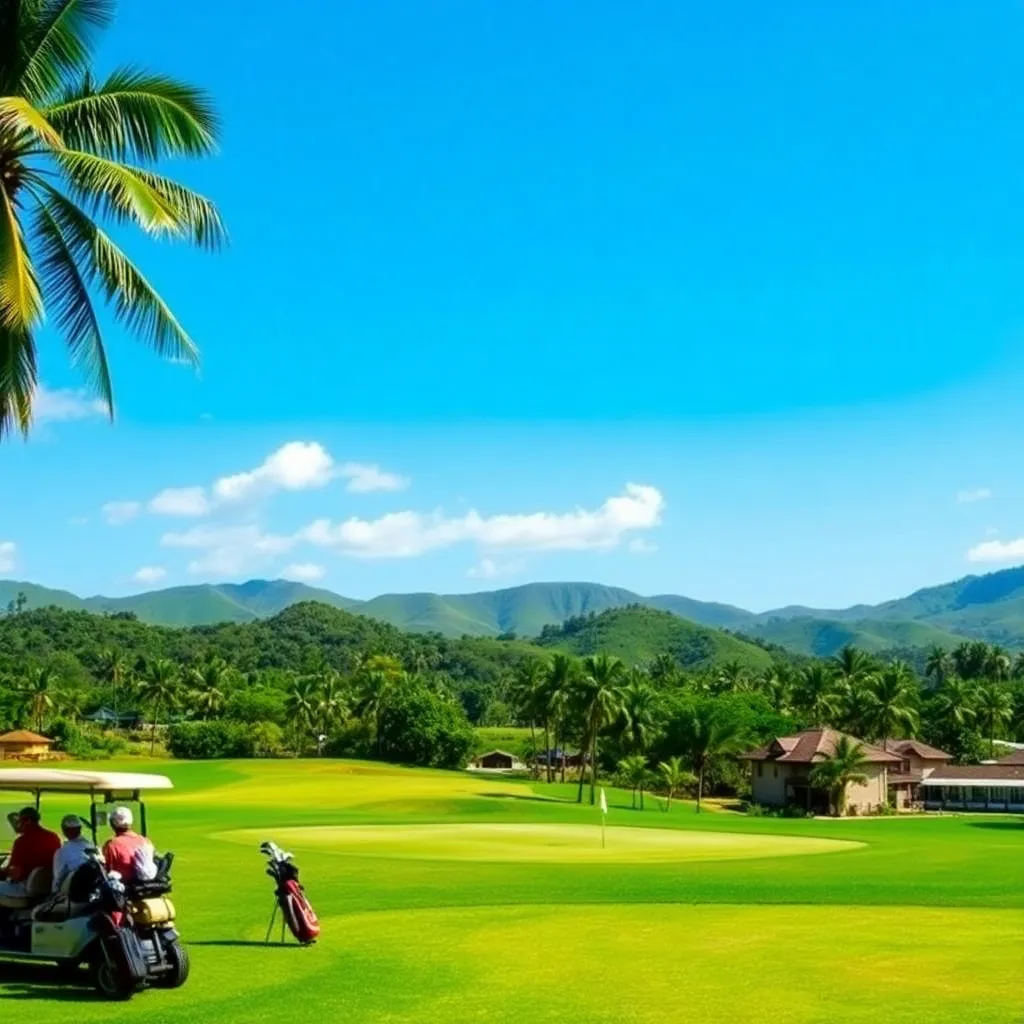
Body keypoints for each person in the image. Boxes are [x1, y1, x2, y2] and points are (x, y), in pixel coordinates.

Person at [0, 807, 61, 900]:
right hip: (46, 886)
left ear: (28, 821)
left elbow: (15, 873)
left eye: (21, 821)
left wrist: (2, 872)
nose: (19, 824)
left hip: (25, 887)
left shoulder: (22, 841)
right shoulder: (53, 837)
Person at [102, 806, 155, 884]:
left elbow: (108, 870)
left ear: (113, 824)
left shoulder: (112, 845)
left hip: (124, 888)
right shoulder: (146, 841)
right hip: (146, 885)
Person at [52, 814, 96, 892]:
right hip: (92, 890)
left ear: (64, 831)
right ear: (80, 829)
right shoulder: (92, 846)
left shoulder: (61, 852)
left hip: (72, 894)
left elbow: (58, 879)